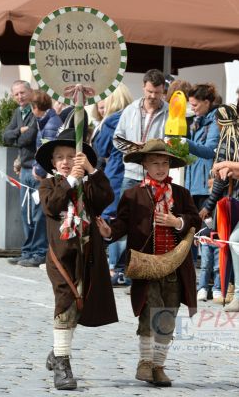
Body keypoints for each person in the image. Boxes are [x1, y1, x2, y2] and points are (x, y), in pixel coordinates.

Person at [96, 138, 201, 387]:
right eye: (155, 162)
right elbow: (121, 223)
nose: (160, 167)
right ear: (144, 165)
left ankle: (158, 366)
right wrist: (109, 232)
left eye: (164, 162)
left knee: (167, 316)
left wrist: (177, 223)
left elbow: (196, 220)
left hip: (175, 266)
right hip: (146, 264)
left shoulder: (181, 194)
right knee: (149, 309)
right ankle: (144, 362)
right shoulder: (133, 195)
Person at [35, 128, 118, 390]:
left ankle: (57, 350)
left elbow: (106, 197)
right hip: (60, 257)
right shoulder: (49, 184)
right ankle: (63, 365)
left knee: (79, 306)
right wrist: (70, 179)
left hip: (87, 255)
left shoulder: (88, 185)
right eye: (59, 156)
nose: (65, 160)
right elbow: (52, 206)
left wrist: (91, 171)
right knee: (65, 301)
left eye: (71, 156)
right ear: (52, 162)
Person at [3, 80, 48, 267]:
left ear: (30, 92)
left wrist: (18, 135)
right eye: (16, 94)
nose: (20, 97)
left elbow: (29, 138)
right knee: (25, 213)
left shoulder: (36, 111)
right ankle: (27, 251)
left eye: (23, 92)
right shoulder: (18, 113)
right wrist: (17, 132)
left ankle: (39, 253)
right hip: (24, 169)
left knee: (38, 214)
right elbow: (5, 136)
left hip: (37, 169)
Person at [201, 103, 239, 310]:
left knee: (227, 242)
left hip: (230, 203)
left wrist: (208, 205)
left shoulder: (227, 141)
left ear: (218, 122)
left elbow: (220, 182)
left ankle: (228, 289)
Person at [94, 83, 133, 285]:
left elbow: (101, 148)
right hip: (132, 172)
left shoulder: (113, 120)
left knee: (115, 221)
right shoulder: (134, 115)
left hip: (116, 174)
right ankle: (122, 269)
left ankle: (115, 269)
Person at [114, 69, 169, 190]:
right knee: (126, 209)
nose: (153, 96)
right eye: (150, 91)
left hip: (158, 175)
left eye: (157, 92)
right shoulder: (130, 109)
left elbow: (175, 142)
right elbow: (116, 139)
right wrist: (132, 147)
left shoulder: (170, 113)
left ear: (163, 90)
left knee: (157, 209)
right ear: (143, 86)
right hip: (131, 175)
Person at [185, 83, 220, 265]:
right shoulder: (198, 121)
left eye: (195, 105)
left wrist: (186, 143)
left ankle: (210, 281)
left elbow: (210, 151)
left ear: (207, 102)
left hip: (206, 187)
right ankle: (193, 273)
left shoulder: (215, 121)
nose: (192, 108)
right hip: (193, 184)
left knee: (207, 234)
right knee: (193, 231)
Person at [30, 89, 62, 180]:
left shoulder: (50, 124)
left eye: (31, 107)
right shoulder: (46, 121)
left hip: (49, 175)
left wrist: (38, 171)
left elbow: (48, 152)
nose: (31, 111)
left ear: (35, 107)